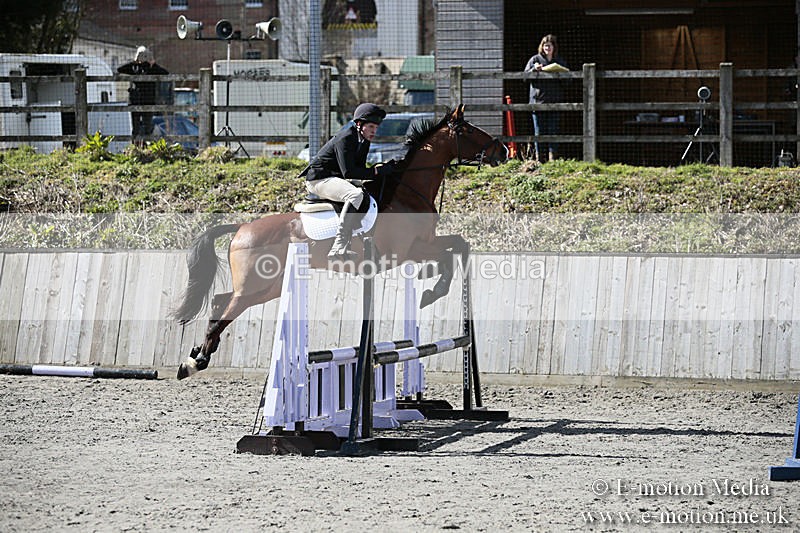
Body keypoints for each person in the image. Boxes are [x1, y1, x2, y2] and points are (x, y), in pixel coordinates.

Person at [304, 102, 397, 259]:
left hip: (334, 177)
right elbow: (349, 172)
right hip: (319, 179)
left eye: (376, 127)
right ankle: (339, 245)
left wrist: (380, 170)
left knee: (365, 192)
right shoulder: (346, 138)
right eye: (371, 127)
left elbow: (360, 170)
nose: (374, 131)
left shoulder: (364, 141)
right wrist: (376, 171)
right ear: (359, 124)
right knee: (355, 195)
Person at [524, 34, 568, 162]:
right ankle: (540, 158)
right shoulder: (535, 59)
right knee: (539, 131)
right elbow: (524, 77)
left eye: (550, 45)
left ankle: (552, 157)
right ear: (542, 47)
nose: (548, 48)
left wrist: (560, 74)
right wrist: (534, 70)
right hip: (538, 101)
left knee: (553, 130)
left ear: (554, 47)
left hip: (555, 101)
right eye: (545, 45)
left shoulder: (559, 61)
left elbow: (568, 79)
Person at [117, 46, 169, 142]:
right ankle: (135, 146)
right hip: (136, 101)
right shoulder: (134, 68)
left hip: (148, 100)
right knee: (136, 128)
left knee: (147, 127)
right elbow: (120, 69)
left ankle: (146, 145)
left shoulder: (152, 68)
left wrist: (153, 64)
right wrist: (134, 62)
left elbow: (165, 73)